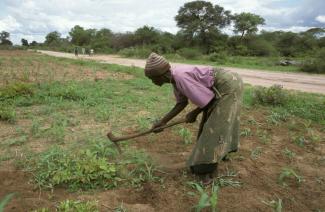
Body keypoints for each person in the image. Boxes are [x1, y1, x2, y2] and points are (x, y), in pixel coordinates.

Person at [144, 52, 243, 185]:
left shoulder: (180, 77)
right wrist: (162, 122)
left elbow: (208, 101)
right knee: (213, 123)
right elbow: (181, 103)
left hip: (228, 84)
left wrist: (194, 114)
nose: (152, 82)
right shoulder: (174, 78)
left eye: (152, 78)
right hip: (225, 83)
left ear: (160, 76)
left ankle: (205, 171)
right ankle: (215, 156)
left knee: (216, 126)